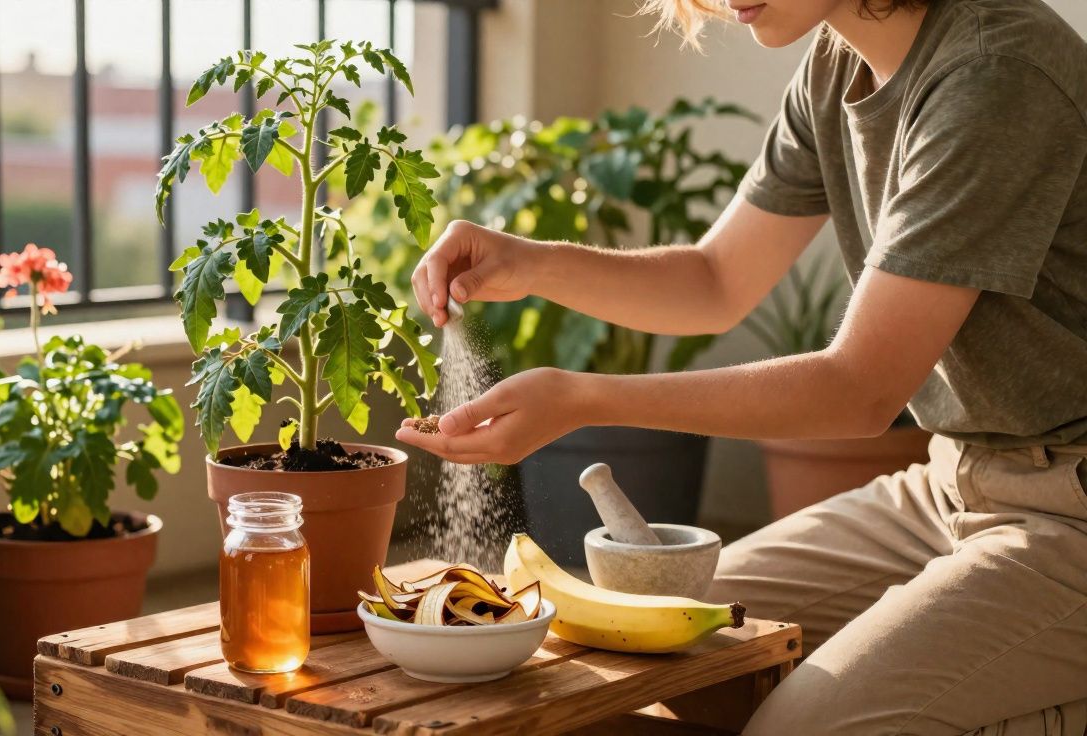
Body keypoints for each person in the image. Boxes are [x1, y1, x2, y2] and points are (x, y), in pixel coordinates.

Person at [394, 0, 1087, 733]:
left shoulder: (992, 70)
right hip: (952, 486)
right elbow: (717, 279)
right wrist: (532, 262)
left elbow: (859, 389)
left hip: (1070, 507)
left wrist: (581, 398)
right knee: (662, 648)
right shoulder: (835, 64)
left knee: (798, 726)